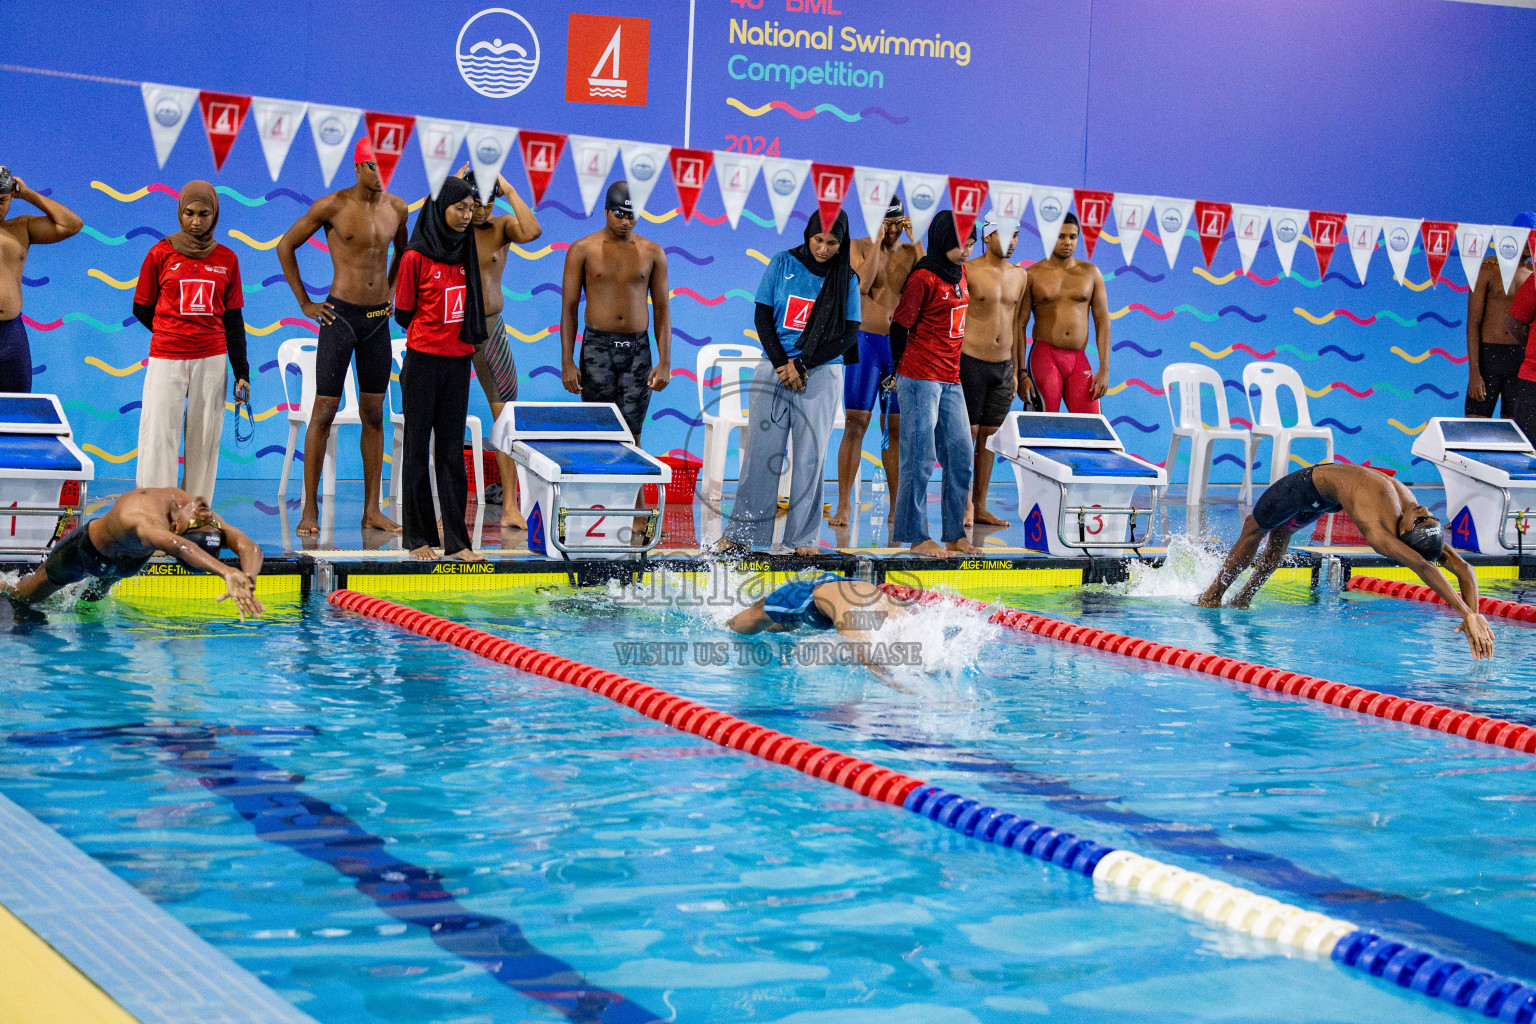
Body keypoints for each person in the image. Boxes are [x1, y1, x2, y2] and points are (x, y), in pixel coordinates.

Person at [1197, 463, 1494, 659]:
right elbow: (1463, 568)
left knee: (1271, 536)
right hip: (1304, 487)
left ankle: (1237, 599)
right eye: (1429, 517)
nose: (1424, 510)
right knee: (1258, 530)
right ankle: (1214, 595)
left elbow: (1423, 565)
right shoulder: (1410, 516)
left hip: (1313, 499)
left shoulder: (1380, 533)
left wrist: (1469, 614)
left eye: (1421, 519)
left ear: (1404, 534)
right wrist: (1471, 616)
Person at [276, 137, 410, 537]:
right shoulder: (331, 206)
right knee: (323, 414)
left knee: (374, 415)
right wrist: (305, 303)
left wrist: (391, 292)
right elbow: (285, 246)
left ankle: (372, 510)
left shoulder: (398, 209)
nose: (381, 174)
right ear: (358, 166)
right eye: (374, 166)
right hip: (339, 318)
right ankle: (309, 510)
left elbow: (405, 254)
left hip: (376, 322)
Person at [718, 210, 861, 556]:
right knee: (759, 454)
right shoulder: (783, 263)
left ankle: (803, 540)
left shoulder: (847, 279)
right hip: (775, 365)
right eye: (818, 240)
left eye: (831, 243)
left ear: (842, 243)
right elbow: (762, 314)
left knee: (812, 456)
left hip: (821, 371)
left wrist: (803, 363)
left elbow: (849, 333)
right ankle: (742, 534)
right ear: (808, 235)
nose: (824, 249)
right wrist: (783, 363)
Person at [131, 181, 247, 504]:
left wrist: (242, 372)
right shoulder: (160, 253)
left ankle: (195, 514)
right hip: (166, 357)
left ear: (216, 215)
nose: (196, 221)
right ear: (179, 213)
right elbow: (141, 307)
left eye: (204, 214)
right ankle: (154, 510)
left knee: (204, 439)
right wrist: (172, 332)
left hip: (212, 360)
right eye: (189, 213)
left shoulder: (228, 259)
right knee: (158, 436)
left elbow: (234, 322)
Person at [393, 178, 488, 562]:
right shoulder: (415, 257)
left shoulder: (466, 250)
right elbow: (403, 312)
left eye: (471, 209)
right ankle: (417, 537)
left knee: (450, 451)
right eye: (459, 208)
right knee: (417, 449)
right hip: (422, 363)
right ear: (440, 208)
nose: (467, 217)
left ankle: (458, 542)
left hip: (458, 362)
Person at [5, 488, 264, 620]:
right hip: (84, 554)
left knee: (87, 603)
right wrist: (227, 571)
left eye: (206, 523)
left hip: (123, 566)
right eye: (203, 522)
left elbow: (250, 547)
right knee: (22, 595)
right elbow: (182, 547)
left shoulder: (195, 518)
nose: (206, 516)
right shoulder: (141, 517)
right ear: (174, 529)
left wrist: (248, 578)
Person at [888, 211, 977, 557]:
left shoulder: (961, 271)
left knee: (960, 454)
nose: (967, 250)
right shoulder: (923, 278)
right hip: (919, 377)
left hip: (950, 378)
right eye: (961, 245)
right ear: (943, 241)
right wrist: (897, 372)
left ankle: (955, 534)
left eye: (971, 243)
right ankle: (917, 536)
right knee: (919, 457)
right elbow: (899, 327)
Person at [458, 166, 542, 531]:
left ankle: (510, 505)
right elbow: (424, 230)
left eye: (489, 203)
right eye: (477, 204)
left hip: (490, 330)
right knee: (445, 419)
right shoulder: (452, 228)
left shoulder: (503, 225)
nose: (483, 211)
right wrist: (452, 186)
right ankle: (450, 506)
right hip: (454, 329)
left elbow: (533, 231)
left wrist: (507, 188)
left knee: (506, 418)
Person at [831, 195, 923, 528]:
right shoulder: (856, 247)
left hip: (899, 348)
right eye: (888, 224)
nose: (894, 230)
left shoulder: (912, 253)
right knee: (856, 424)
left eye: (898, 224)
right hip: (864, 344)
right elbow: (864, 285)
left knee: (895, 430)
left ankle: (897, 508)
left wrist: (917, 241)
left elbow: (930, 280)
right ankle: (843, 504)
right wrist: (878, 243)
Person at [560, 181, 671, 440]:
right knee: (597, 433)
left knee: (632, 436)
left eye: (632, 215)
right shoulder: (582, 250)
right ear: (606, 211)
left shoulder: (653, 252)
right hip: (597, 348)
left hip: (638, 350)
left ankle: (635, 482)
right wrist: (567, 361)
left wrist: (665, 361)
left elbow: (663, 311)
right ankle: (597, 481)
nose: (626, 221)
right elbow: (569, 308)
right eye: (620, 214)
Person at [962, 210, 1029, 527]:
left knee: (989, 436)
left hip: (1003, 367)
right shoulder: (969, 271)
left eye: (1016, 235)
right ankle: (963, 504)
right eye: (1004, 234)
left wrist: (1016, 371)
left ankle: (981, 504)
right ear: (987, 236)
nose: (1012, 242)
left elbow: (1018, 326)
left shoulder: (1021, 276)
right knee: (968, 434)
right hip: (970, 361)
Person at [0, 167, 82, 392]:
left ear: (11, 197)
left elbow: (71, 225)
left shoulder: (21, 228)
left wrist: (28, 194)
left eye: (1, 200)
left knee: (19, 411)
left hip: (11, 334)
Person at [1021, 213, 1111, 413]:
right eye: (1061, 236)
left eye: (1073, 236)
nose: (1067, 242)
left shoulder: (1091, 273)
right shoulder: (1032, 274)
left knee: (1091, 427)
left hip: (1078, 359)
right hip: (1044, 356)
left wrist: (1104, 368)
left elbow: (1103, 322)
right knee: (1043, 426)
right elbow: (1019, 325)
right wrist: (1021, 374)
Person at [1466, 211, 1535, 419]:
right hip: (1488, 359)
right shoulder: (1488, 269)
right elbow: (1473, 324)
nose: (1530, 243)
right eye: (1526, 237)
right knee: (1474, 426)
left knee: (1514, 432)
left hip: (1520, 360)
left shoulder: (1533, 276)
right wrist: (1474, 373)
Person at [728, 573, 905, 636]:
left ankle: (787, 621)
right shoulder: (851, 624)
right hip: (808, 600)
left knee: (787, 624)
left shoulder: (898, 615)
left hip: (846, 586)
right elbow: (867, 666)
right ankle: (725, 622)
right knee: (748, 621)